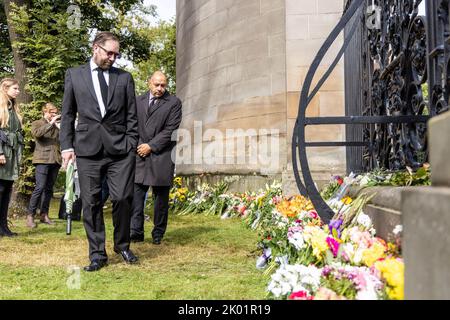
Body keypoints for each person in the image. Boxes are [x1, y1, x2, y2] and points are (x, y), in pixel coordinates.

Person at [60, 31, 139, 272]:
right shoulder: (74, 75)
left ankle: (122, 245)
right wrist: (66, 146)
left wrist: (131, 143)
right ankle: (97, 254)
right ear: (96, 48)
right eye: (109, 53)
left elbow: (132, 116)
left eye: (116, 54)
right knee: (91, 202)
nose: (113, 58)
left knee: (123, 198)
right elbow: (67, 113)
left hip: (120, 151)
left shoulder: (124, 78)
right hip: (87, 149)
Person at [131, 71, 182, 245]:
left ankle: (158, 233)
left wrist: (151, 146)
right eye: (156, 84)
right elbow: (132, 125)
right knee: (136, 197)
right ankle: (135, 231)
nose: (160, 88)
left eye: (163, 85)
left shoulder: (174, 103)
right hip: (139, 154)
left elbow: (170, 130)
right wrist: (139, 146)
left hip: (162, 155)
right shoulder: (137, 101)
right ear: (149, 83)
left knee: (160, 199)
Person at [26, 103, 62, 228]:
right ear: (45, 112)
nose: (54, 114)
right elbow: (37, 134)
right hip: (42, 159)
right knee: (39, 187)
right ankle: (30, 215)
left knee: (48, 189)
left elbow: (62, 139)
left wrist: (59, 127)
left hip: (55, 160)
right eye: (52, 112)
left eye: (55, 112)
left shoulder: (56, 125)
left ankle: (44, 214)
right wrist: (51, 123)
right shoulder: (38, 123)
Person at [0, 78, 23, 237]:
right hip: (3, 153)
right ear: (5, 88)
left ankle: (3, 227)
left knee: (7, 190)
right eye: (15, 88)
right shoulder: (1, 108)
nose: (18, 91)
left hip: (12, 153)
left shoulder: (12, 107)